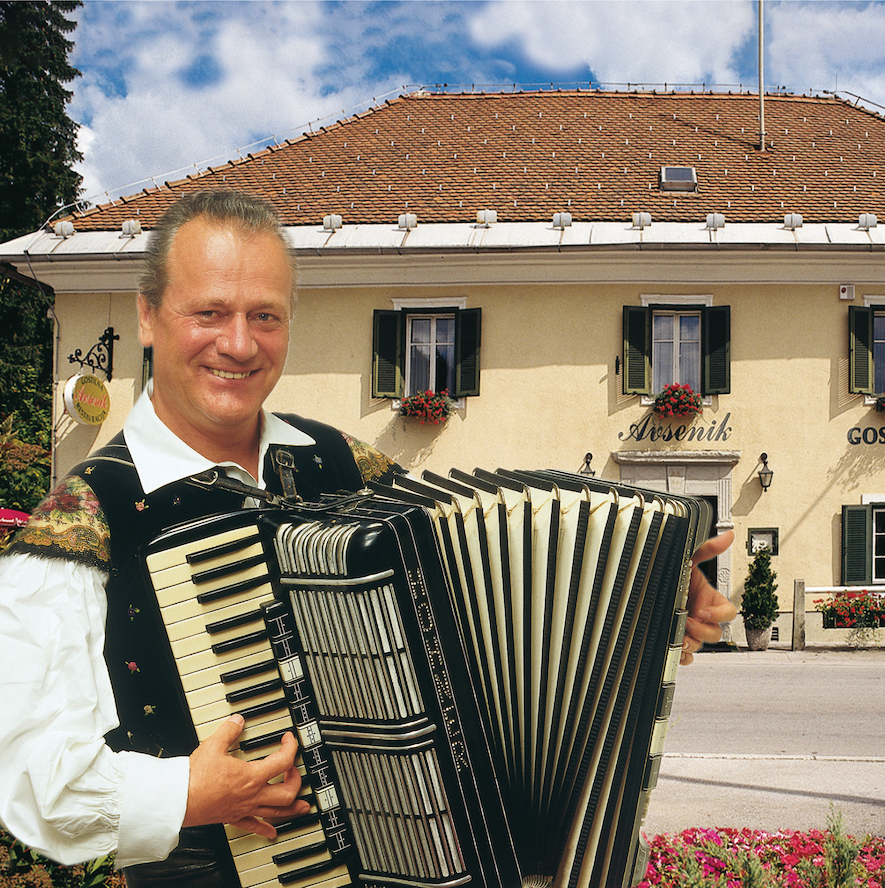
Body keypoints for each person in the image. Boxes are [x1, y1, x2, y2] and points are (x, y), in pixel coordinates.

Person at [0, 190, 737, 885]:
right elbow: (28, 781)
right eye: (209, 312)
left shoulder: (348, 465)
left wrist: (649, 605)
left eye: (266, 316)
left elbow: (479, 632)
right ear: (149, 317)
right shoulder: (81, 517)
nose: (239, 343)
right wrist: (185, 794)